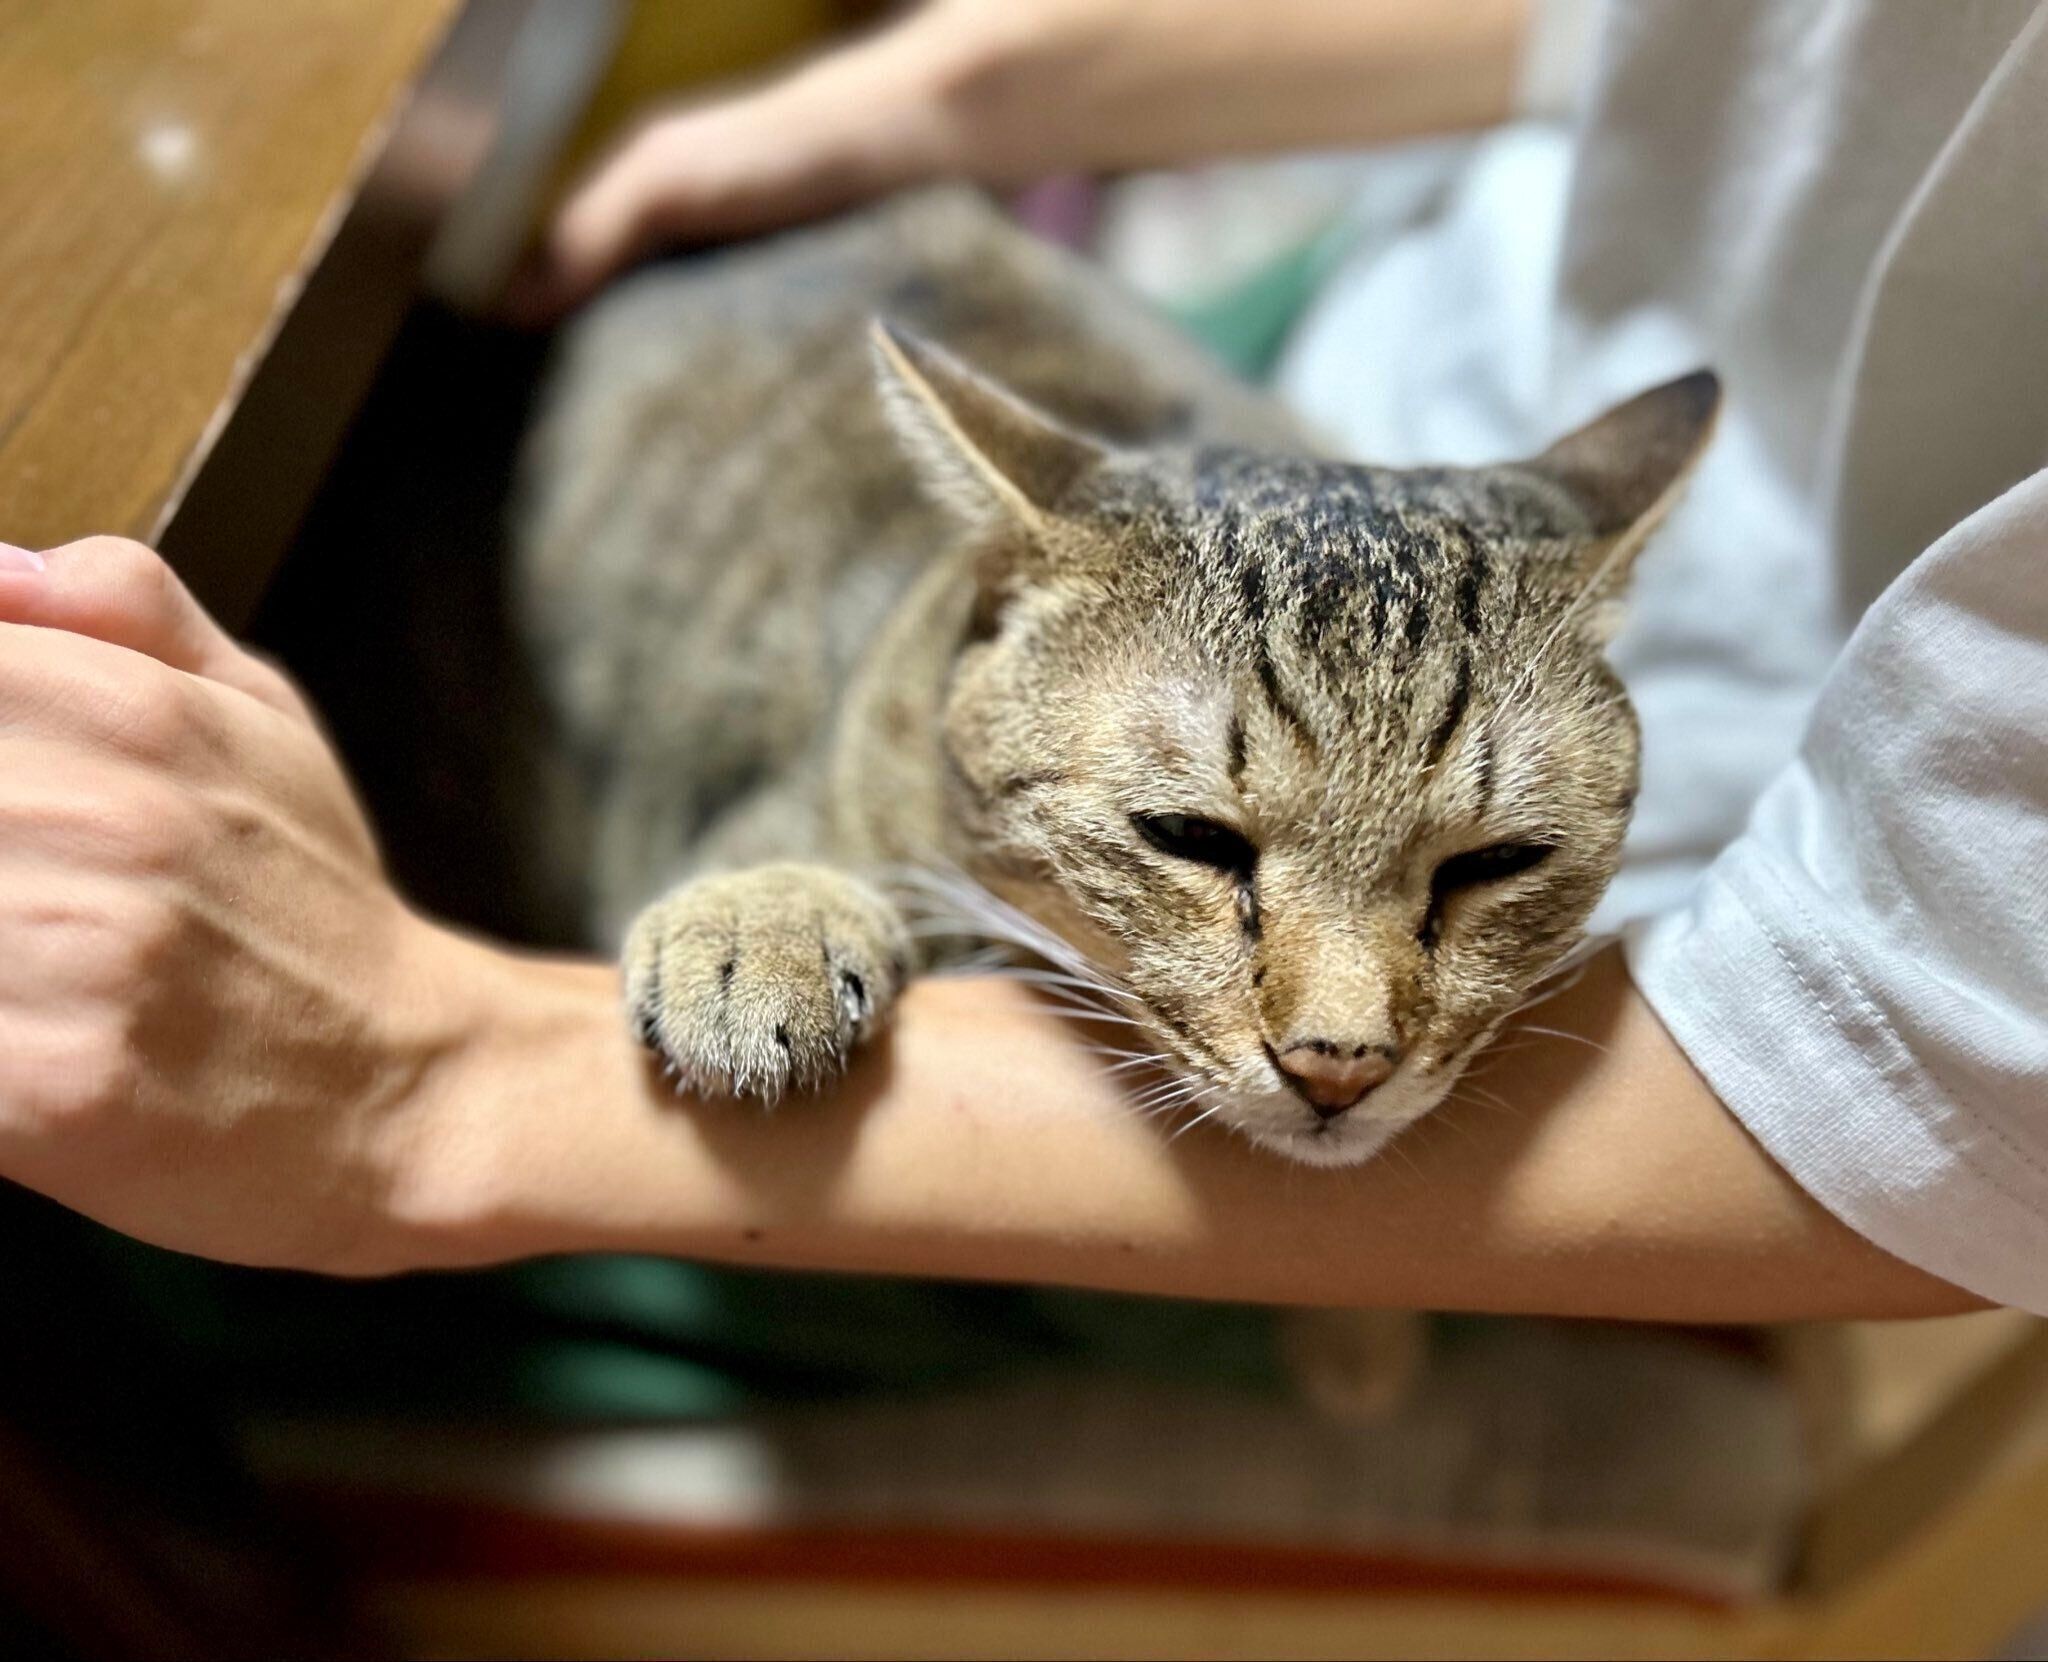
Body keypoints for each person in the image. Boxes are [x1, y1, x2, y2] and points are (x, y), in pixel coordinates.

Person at [2, 0, 2040, 1319]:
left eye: (1476, 874)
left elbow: (1934, 1083)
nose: (1344, 1031)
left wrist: (437, 1081)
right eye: (1199, 840)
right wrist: (965, 87)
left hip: (1735, 906)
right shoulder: (1013, 671)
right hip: (1392, 410)